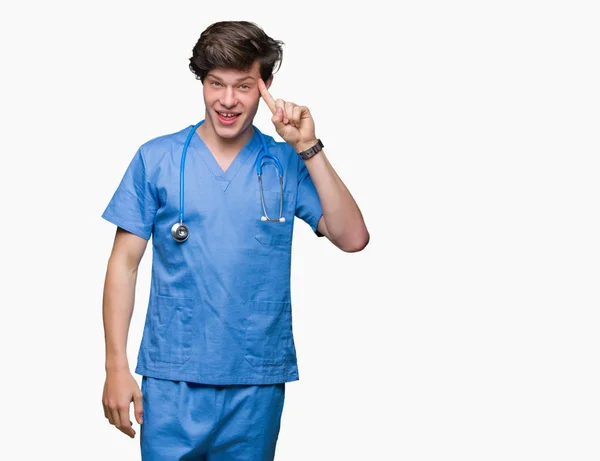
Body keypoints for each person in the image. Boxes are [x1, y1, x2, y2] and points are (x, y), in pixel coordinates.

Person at [100, 20, 369, 460]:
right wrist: (115, 366)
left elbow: (353, 237)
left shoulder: (285, 161)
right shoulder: (158, 158)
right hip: (172, 382)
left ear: (266, 85)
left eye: (244, 86)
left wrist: (309, 147)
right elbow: (123, 265)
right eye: (215, 84)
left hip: (256, 383)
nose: (227, 101)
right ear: (201, 83)